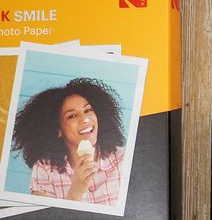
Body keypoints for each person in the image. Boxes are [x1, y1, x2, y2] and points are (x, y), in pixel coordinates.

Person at [10, 78, 127, 206]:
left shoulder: (123, 159)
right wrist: (75, 192)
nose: (85, 119)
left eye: (88, 110)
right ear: (57, 130)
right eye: (72, 116)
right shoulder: (44, 170)